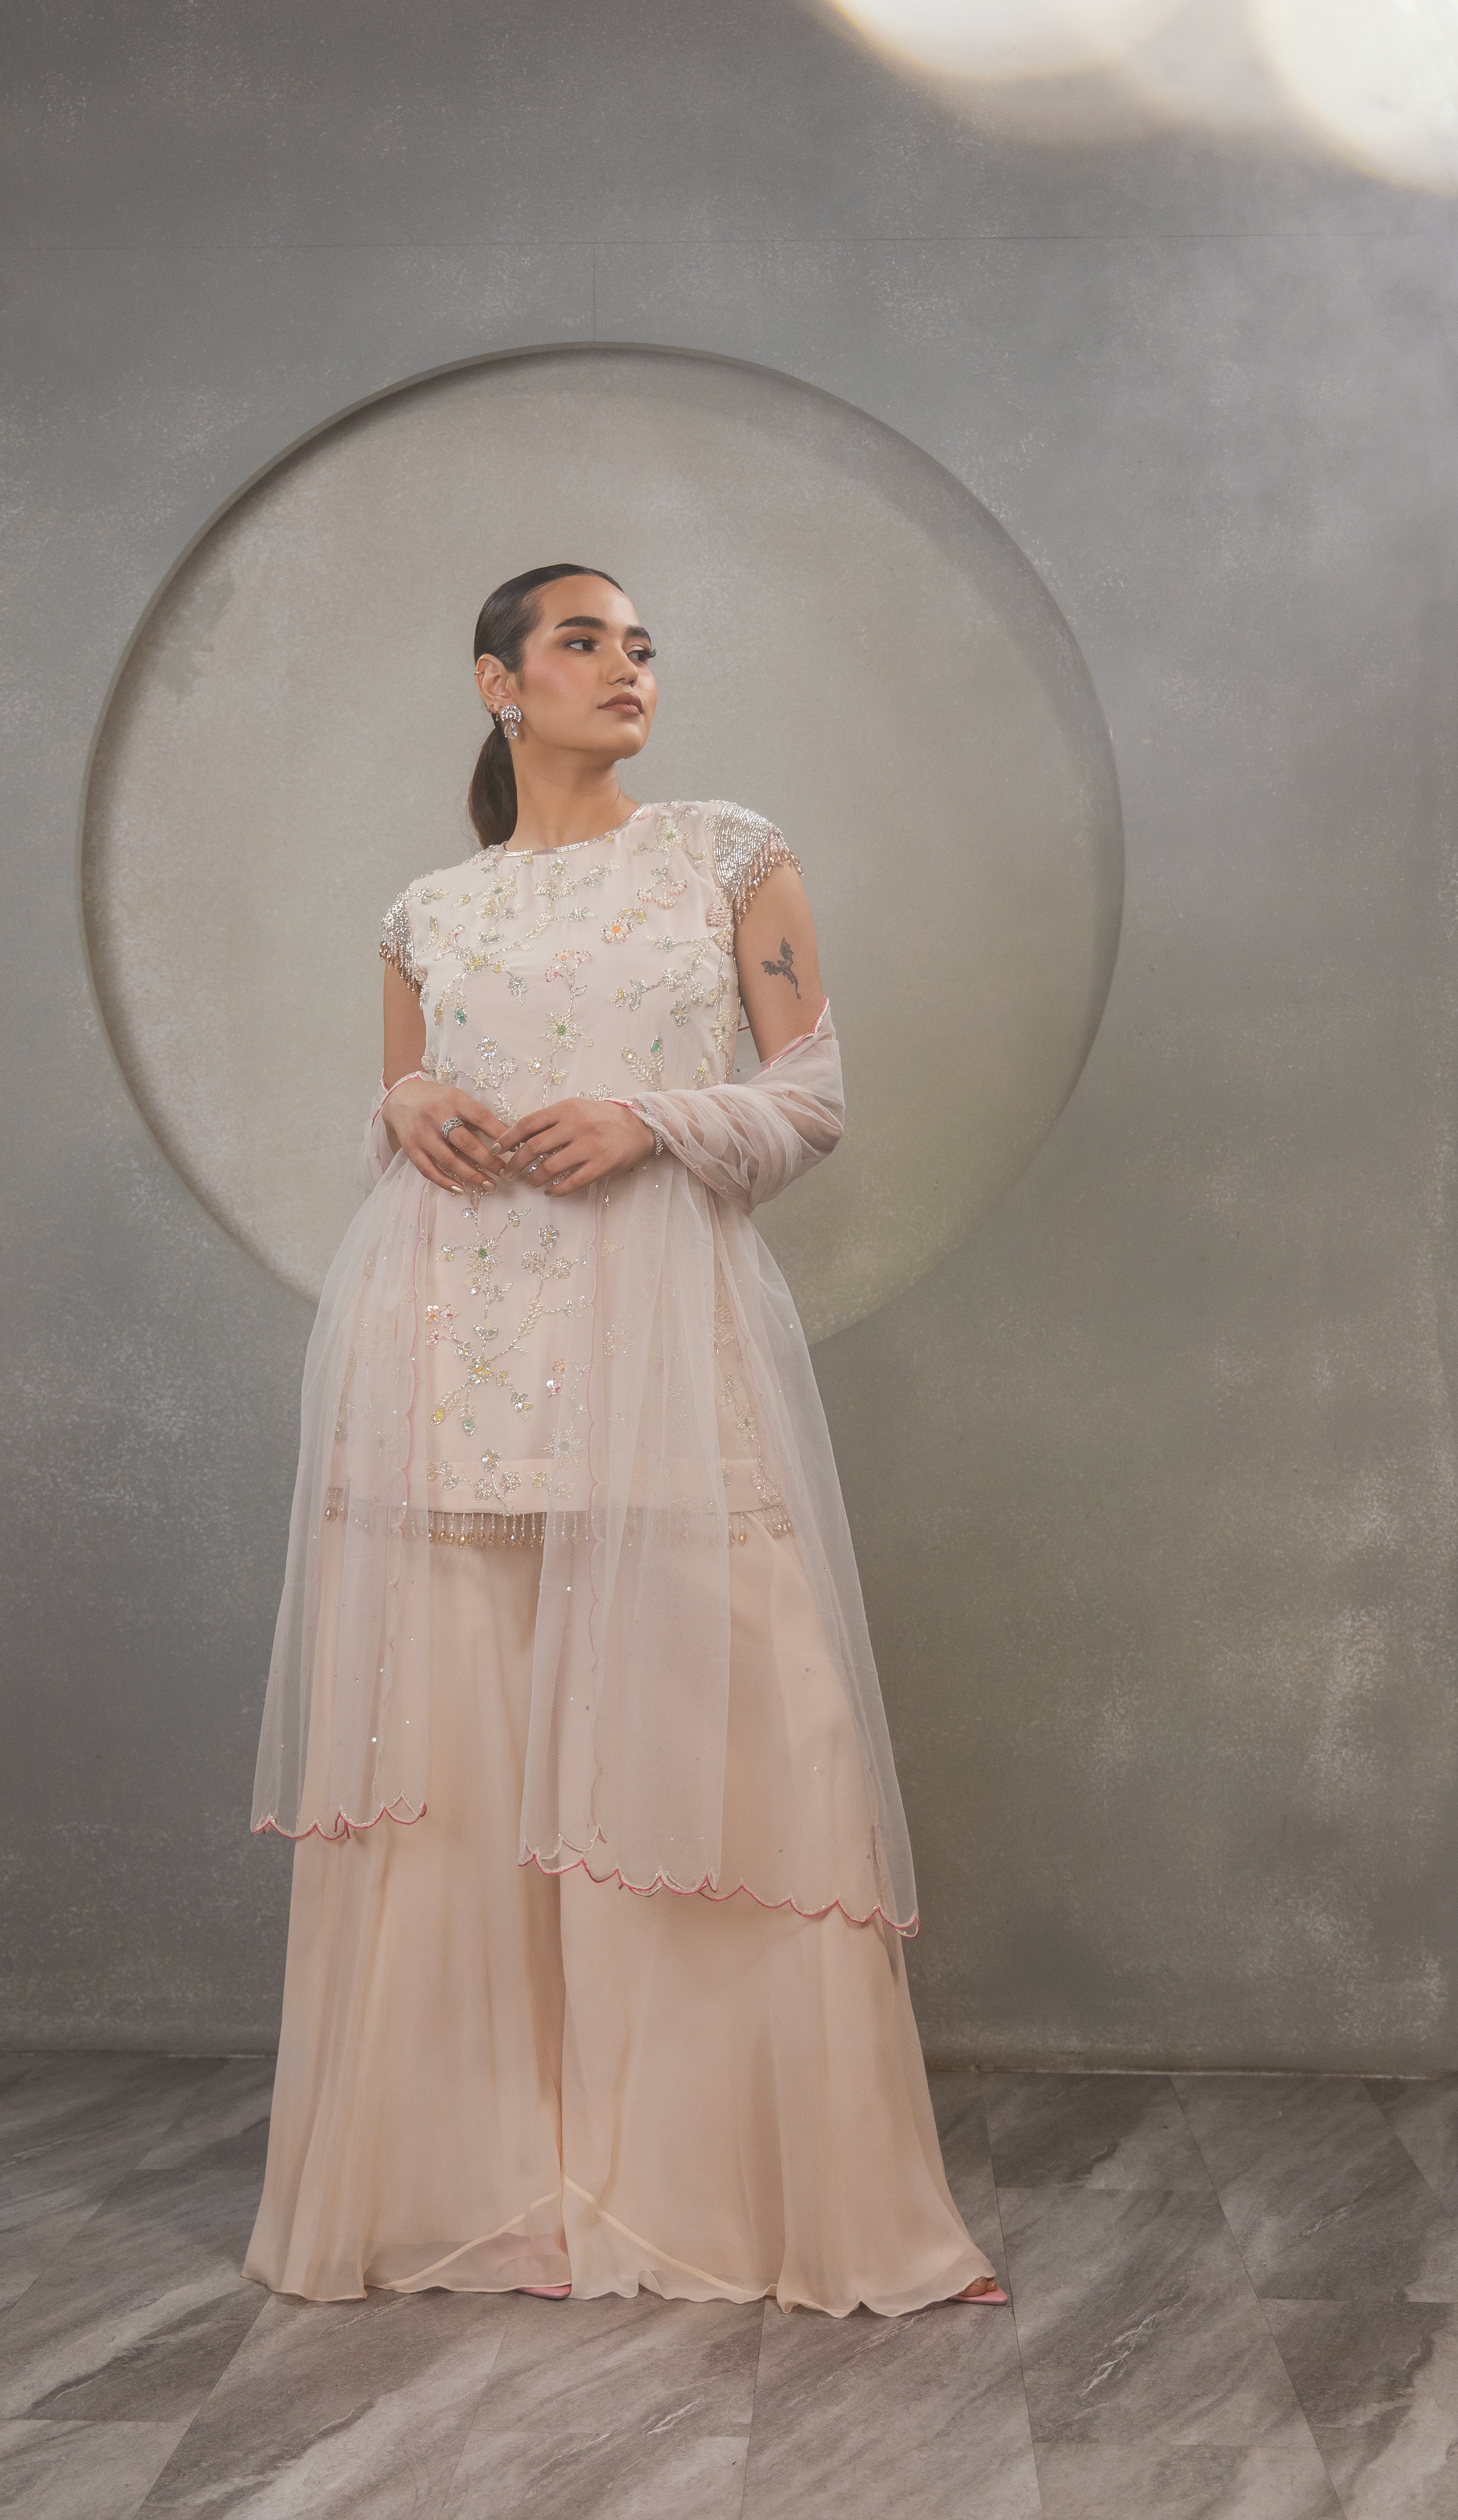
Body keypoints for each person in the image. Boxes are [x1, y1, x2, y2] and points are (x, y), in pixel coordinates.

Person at [244, 562, 1005, 2314]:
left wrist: (651, 1119)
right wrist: (404, 1100)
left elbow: (810, 1098)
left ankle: (761, 2202)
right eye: (582, 640)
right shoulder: (425, 913)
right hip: (455, 1359)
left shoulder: (726, 853)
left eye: (641, 645)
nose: (624, 667)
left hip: (658, 1350)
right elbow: (395, 1123)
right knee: (461, 1770)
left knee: (730, 1742)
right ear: (497, 681)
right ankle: (486, 2192)